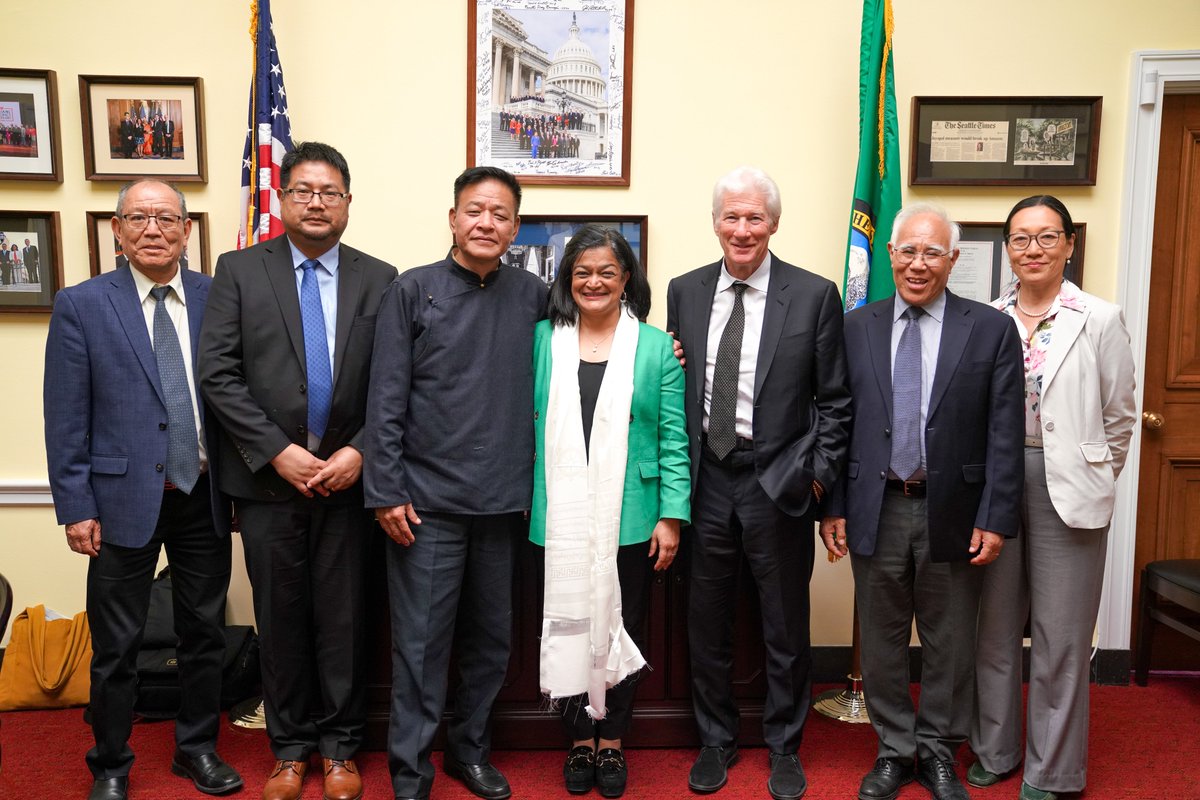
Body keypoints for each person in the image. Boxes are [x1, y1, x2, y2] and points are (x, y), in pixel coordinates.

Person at [198, 141, 396, 800]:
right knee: (279, 621)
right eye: (304, 190)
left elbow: (398, 384)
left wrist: (360, 451)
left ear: (347, 203)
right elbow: (218, 375)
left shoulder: (380, 278)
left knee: (343, 621)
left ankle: (340, 748)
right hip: (266, 483)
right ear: (282, 200)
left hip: (346, 480)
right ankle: (289, 749)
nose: (317, 201)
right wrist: (277, 452)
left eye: (330, 191)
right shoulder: (238, 270)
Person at [44, 179, 242, 800]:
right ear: (117, 232)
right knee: (118, 643)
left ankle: (196, 749)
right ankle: (109, 762)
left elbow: (240, 397)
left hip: (202, 493)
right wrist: (76, 505)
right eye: (138, 218)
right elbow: (66, 414)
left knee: (204, 633)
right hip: (118, 500)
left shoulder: (219, 298)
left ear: (187, 230)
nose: (153, 229)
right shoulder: (82, 304)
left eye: (166, 218)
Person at [820, 202, 1025, 800]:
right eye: (907, 251)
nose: (918, 264)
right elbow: (835, 419)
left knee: (950, 640)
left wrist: (996, 516)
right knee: (881, 640)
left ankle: (938, 751)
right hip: (874, 505)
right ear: (889, 255)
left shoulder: (989, 328)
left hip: (954, 509)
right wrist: (831, 502)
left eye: (932, 252)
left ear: (953, 259)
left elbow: (1004, 432)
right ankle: (894, 752)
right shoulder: (856, 326)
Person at [666, 166, 852, 800]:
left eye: (754, 218)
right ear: (716, 222)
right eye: (731, 217)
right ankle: (715, 740)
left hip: (778, 481)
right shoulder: (684, 291)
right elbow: (677, 379)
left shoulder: (814, 294)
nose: (741, 229)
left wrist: (817, 480)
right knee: (706, 619)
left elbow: (835, 401)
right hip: (706, 479)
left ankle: (784, 745)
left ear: (774, 224)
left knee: (783, 624)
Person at [364, 166, 548, 800]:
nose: (486, 223)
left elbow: (600, 340)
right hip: (425, 506)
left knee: (492, 644)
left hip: (504, 506)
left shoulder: (533, 296)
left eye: (500, 214)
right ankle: (410, 772)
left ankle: (470, 751)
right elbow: (385, 400)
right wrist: (386, 490)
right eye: (475, 211)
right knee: (419, 650)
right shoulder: (412, 291)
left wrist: (670, 353)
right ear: (452, 219)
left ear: (515, 228)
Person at [968, 196, 1137, 800]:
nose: (1032, 249)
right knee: (993, 629)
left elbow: (1119, 418)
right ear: (1006, 249)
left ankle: (1053, 771)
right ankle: (995, 749)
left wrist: (1089, 470)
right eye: (1020, 238)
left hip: (1070, 487)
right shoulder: (987, 318)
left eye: (1046, 237)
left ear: (1069, 245)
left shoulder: (1099, 317)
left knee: (1061, 636)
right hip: (996, 485)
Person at [530, 225, 690, 798]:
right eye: (582, 272)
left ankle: (614, 741)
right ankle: (578, 741)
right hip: (558, 511)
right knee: (569, 618)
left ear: (626, 280)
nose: (593, 281)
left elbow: (673, 438)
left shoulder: (654, 347)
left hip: (634, 513)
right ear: (567, 280)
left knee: (624, 625)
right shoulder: (543, 341)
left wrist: (671, 514)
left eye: (607, 272)